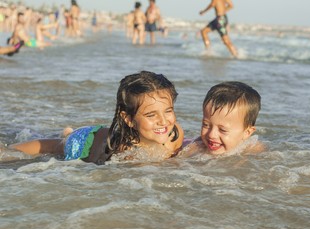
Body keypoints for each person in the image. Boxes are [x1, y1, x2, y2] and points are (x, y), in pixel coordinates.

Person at [9, 71, 184, 165]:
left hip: (106, 134)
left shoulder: (176, 134)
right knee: (54, 146)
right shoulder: (127, 152)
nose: (163, 121)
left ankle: (67, 131)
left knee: (67, 134)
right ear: (128, 119)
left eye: (168, 111)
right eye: (151, 114)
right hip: (83, 142)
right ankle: (67, 134)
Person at [181, 81, 265, 157]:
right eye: (206, 125)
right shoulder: (196, 147)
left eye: (222, 130)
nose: (211, 135)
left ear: (247, 133)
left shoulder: (253, 149)